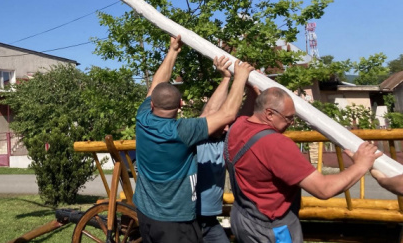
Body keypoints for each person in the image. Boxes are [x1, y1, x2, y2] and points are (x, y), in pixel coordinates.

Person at [133, 34, 254, 243]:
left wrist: (173, 51)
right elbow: (227, 115)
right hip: (176, 223)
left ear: (152, 104)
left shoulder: (142, 118)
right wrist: (240, 77)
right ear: (180, 105)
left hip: (145, 216)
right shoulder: (182, 131)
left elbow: (156, 83)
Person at [225, 87, 381, 243]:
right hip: (272, 229)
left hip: (242, 219)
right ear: (269, 114)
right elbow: (324, 189)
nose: (291, 123)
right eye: (288, 118)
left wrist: (253, 91)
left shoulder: (237, 127)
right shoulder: (276, 144)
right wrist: (361, 165)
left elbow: (245, 112)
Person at [195, 56, 234, 243]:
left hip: (210, 221)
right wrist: (226, 78)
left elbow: (242, 116)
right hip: (190, 218)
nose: (227, 127)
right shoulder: (197, 140)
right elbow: (209, 113)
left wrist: (252, 89)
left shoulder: (225, 140)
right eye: (222, 123)